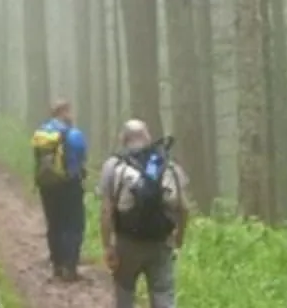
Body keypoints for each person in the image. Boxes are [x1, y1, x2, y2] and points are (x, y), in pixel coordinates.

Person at [96, 119, 188, 308]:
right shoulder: (167, 164)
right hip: (160, 241)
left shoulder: (113, 166)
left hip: (126, 242)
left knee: (124, 292)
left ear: (123, 139)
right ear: (147, 138)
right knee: (163, 293)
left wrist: (108, 246)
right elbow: (183, 208)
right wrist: (179, 237)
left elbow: (106, 211)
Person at [31, 99, 89, 280]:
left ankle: (56, 265)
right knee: (73, 225)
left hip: (47, 185)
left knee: (54, 224)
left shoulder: (41, 133)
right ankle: (70, 267)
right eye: (69, 111)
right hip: (70, 184)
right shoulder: (73, 134)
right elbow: (82, 156)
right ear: (64, 112)